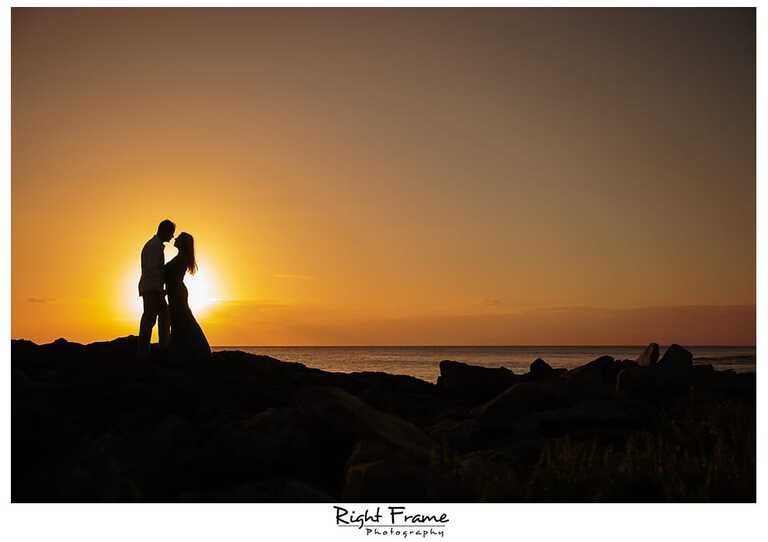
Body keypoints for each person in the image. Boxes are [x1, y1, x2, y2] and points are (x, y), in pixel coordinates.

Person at [165, 232, 211, 362]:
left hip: (177, 292)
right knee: (179, 320)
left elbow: (172, 277)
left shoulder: (182, 258)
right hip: (175, 292)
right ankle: (184, 349)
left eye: (179, 237)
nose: (175, 238)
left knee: (183, 319)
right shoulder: (180, 257)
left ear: (183, 243)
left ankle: (198, 349)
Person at [137, 219, 175, 359]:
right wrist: (160, 290)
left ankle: (150, 350)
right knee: (153, 318)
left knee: (156, 317)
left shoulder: (153, 245)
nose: (171, 237)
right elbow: (153, 271)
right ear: (164, 231)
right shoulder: (154, 247)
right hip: (152, 289)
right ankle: (152, 351)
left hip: (150, 288)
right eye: (171, 233)